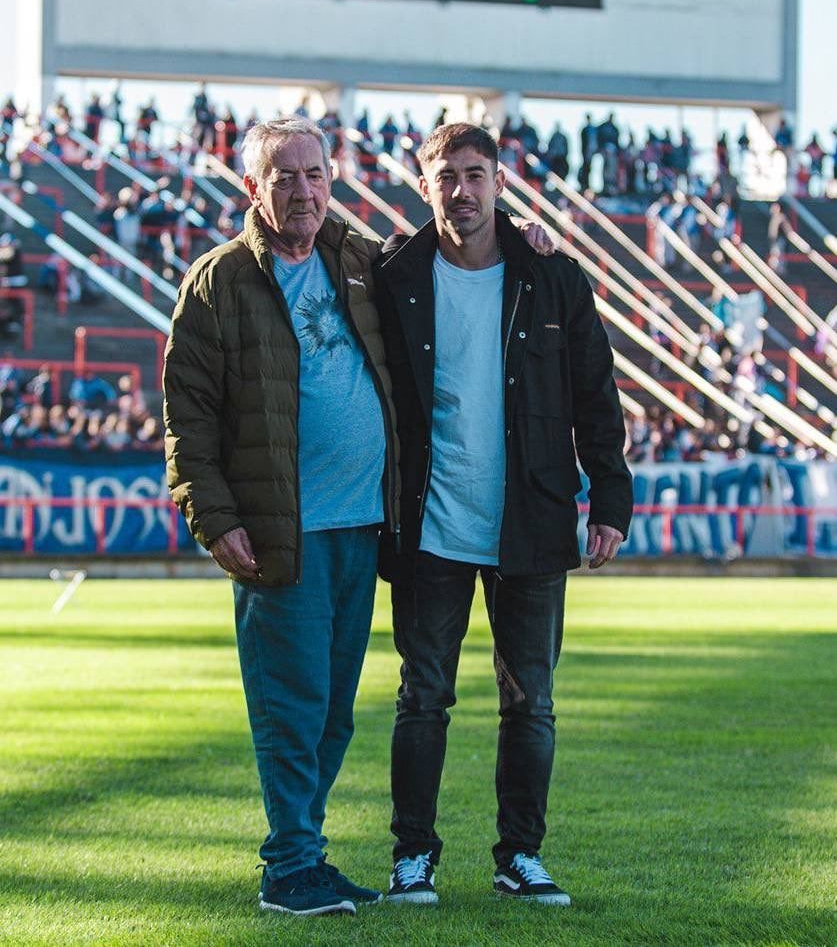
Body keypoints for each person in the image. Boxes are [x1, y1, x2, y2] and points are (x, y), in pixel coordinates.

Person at [374, 123, 633, 908]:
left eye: (475, 173)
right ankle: (411, 857)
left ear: (499, 181)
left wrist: (609, 498)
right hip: (429, 526)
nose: (461, 190)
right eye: (446, 176)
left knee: (532, 703)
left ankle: (519, 856)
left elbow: (595, 392)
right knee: (423, 698)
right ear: (426, 185)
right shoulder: (394, 272)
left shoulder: (551, 274)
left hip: (531, 518)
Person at [163, 117, 399, 918]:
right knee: (290, 706)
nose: (302, 189)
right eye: (284, 176)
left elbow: (452, 259)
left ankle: (306, 854)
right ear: (253, 188)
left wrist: (520, 230)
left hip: (361, 528)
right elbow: (186, 416)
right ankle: (288, 866)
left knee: (334, 710)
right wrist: (212, 515)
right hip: (277, 532)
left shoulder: (360, 258)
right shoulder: (217, 280)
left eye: (314, 173)